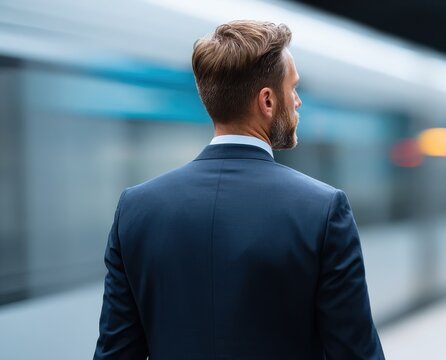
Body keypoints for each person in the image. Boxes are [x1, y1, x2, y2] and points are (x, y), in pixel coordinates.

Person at [94, 20, 384, 359]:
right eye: (293, 89)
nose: (298, 102)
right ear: (268, 101)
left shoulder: (136, 209)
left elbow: (115, 353)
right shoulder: (323, 210)